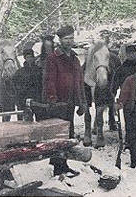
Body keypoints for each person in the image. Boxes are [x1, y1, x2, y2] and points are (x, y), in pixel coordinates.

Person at [43, 25, 90, 176]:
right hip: (58, 103)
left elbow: (79, 82)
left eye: (71, 38)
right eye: (66, 39)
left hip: (70, 102)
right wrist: (52, 99)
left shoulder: (75, 59)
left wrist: (82, 102)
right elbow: (49, 80)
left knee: (68, 134)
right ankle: (57, 167)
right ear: (60, 40)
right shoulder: (53, 58)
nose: (69, 41)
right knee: (58, 135)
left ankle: (64, 164)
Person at [110, 44, 136, 148]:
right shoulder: (121, 69)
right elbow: (114, 86)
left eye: (133, 53)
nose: (132, 55)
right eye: (129, 53)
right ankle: (129, 142)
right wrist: (114, 100)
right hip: (127, 100)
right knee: (129, 122)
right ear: (126, 54)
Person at [12, 48, 43, 121]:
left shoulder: (39, 70)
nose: (29, 59)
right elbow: (16, 87)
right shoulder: (19, 72)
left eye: (31, 57)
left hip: (38, 100)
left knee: (41, 120)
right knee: (27, 122)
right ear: (25, 58)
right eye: (27, 57)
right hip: (24, 101)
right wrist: (19, 101)